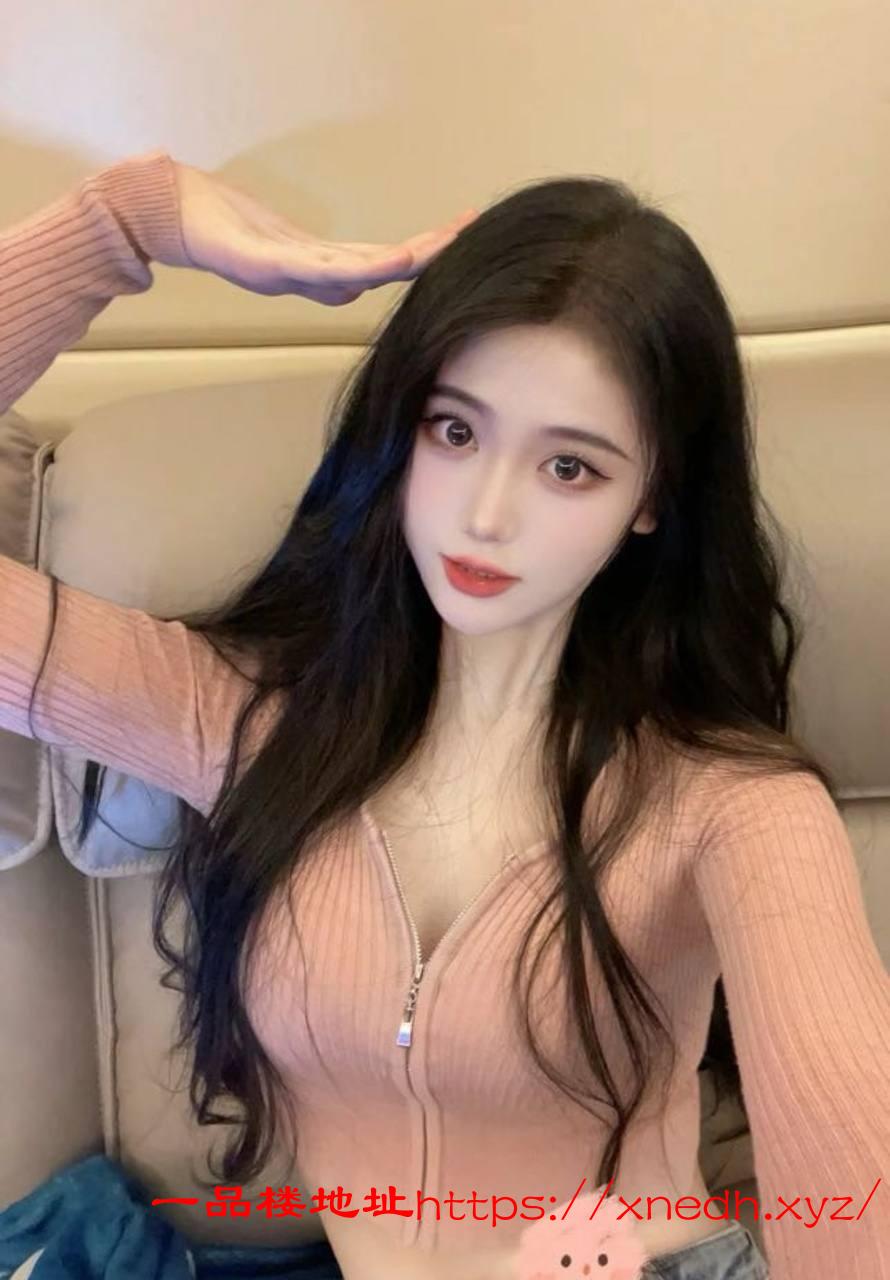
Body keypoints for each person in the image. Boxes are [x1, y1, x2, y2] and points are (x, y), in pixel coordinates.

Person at [0, 149, 887, 1280]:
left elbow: (855, 1198)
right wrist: (128, 224)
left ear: (651, 498)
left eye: (569, 467)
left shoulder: (735, 809)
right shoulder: (239, 717)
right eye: (455, 431)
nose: (485, 514)